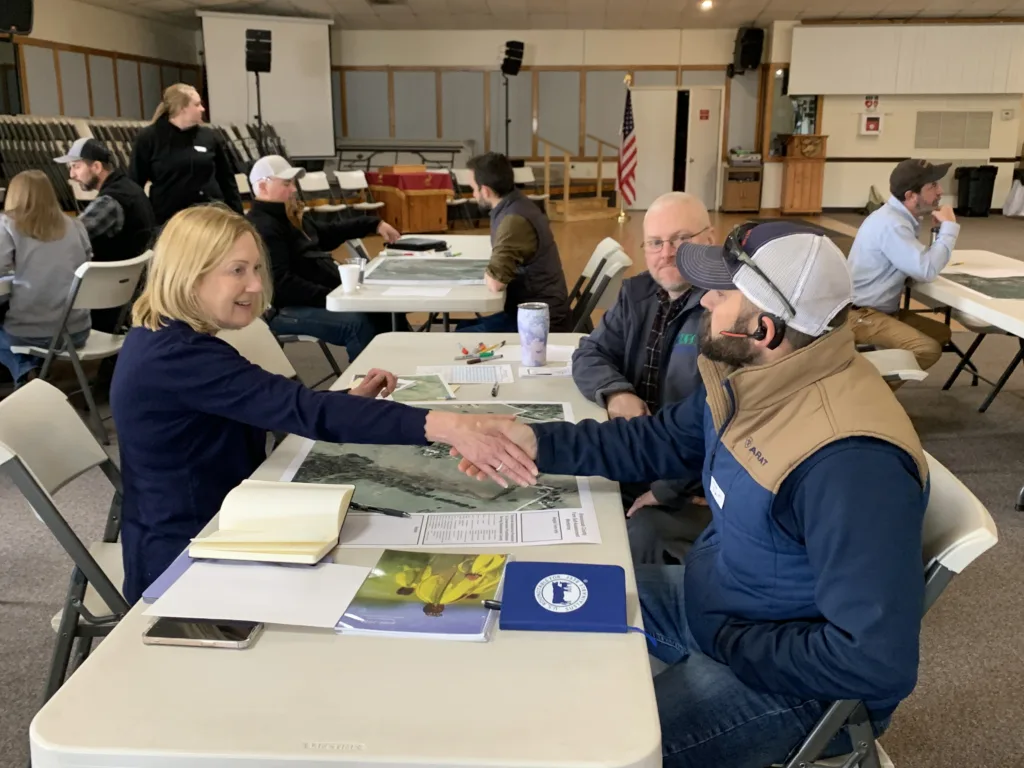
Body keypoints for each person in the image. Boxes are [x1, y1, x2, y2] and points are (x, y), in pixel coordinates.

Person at [457, 222, 930, 768]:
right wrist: (535, 440)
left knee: (598, 753)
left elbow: (873, 661)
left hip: (784, 676)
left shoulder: (849, 462)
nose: (704, 298)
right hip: (720, 603)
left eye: (723, 292)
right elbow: (651, 443)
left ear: (765, 329)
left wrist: (728, 641)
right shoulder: (755, 379)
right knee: (515, 595)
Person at [109, 204, 537, 604]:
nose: (256, 285)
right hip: (184, 559)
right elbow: (301, 410)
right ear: (189, 275)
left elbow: (273, 403)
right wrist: (448, 427)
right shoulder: (179, 357)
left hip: (219, 521)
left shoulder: (166, 340)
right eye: (237, 271)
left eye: (256, 268)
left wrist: (347, 401)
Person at [572, 191, 712, 564]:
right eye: (655, 242)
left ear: (709, 241)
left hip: (692, 477)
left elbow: (724, 418)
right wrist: (617, 393)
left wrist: (668, 491)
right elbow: (590, 353)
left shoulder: (726, 310)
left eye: (681, 240)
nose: (667, 253)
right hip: (636, 456)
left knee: (638, 531)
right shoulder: (637, 293)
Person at [245, 154, 402, 362]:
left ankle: (399, 367)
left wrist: (373, 224)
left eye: (293, 183)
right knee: (358, 323)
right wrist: (332, 297)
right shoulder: (263, 227)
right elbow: (281, 285)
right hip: (285, 310)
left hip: (318, 296)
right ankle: (368, 385)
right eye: (286, 183)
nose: (293, 189)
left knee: (386, 309)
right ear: (263, 186)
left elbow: (327, 233)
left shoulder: (289, 216)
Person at [848, 158, 958, 370]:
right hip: (861, 314)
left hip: (876, 309)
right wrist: (949, 229)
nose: (940, 191)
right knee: (926, 349)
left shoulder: (898, 218)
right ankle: (869, 395)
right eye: (932, 185)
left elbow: (921, 265)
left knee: (940, 333)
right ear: (910, 196)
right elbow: (927, 270)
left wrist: (937, 231)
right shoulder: (893, 224)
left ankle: (882, 370)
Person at [458, 152, 571, 333]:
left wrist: (490, 271)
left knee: (462, 335)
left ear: (485, 191)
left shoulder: (513, 220)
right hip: (537, 307)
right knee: (462, 327)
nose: (473, 194)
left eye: (474, 188)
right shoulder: (517, 204)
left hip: (540, 318)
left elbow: (495, 283)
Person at [0, 170, 92, 386]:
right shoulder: (76, 225)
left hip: (29, 332)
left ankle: (26, 371)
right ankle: (34, 373)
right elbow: (86, 263)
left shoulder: (6, 224)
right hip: (77, 331)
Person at [55, 137, 156, 333]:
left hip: (107, 303)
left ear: (97, 167)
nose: (71, 175)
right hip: (127, 298)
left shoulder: (110, 201)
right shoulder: (130, 188)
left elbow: (68, 238)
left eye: (76, 166)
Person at [129, 83, 243, 226]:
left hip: (209, 216)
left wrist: (238, 217)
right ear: (182, 108)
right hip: (170, 220)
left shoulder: (209, 137)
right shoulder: (149, 138)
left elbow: (226, 180)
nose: (202, 108)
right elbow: (134, 184)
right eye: (197, 104)